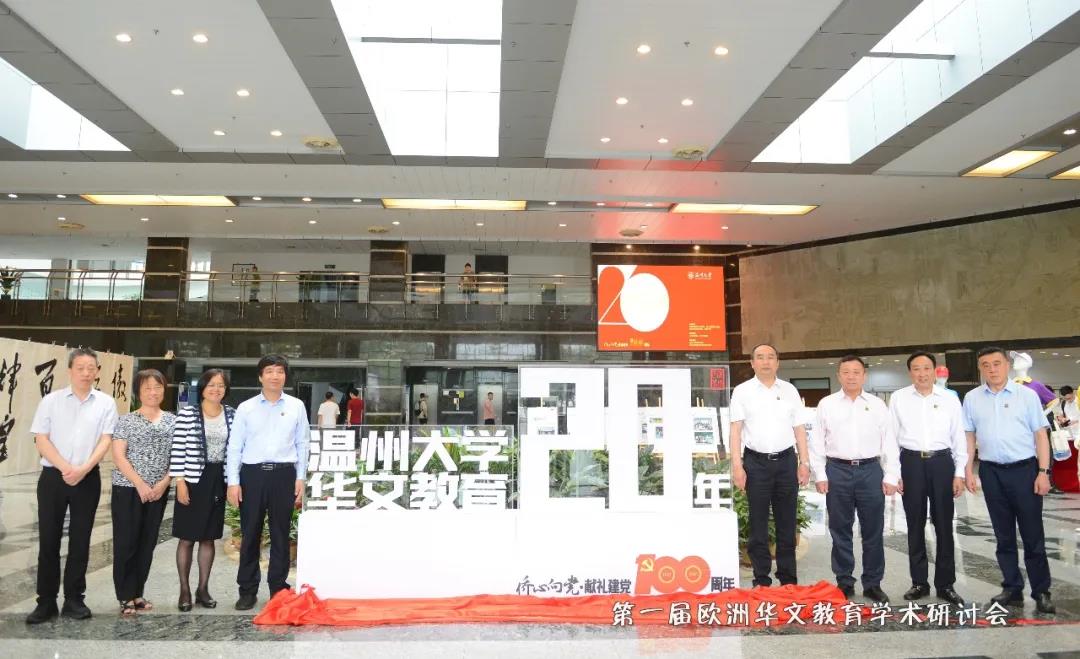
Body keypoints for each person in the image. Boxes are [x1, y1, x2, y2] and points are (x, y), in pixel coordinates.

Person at [26, 348, 119, 624]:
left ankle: (74, 599)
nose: (86, 373)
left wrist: (83, 468)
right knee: (48, 539)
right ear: (70, 370)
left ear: (97, 371)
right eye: (80, 368)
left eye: (91, 368)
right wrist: (66, 468)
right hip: (53, 478)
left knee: (81, 540)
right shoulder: (51, 401)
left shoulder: (105, 403)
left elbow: (106, 440)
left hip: (87, 478)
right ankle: (45, 602)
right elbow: (41, 439)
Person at [963, 346, 1055, 614]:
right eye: (985, 365)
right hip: (991, 471)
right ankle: (1012, 588)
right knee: (1003, 536)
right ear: (980, 368)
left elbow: (1041, 435)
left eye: (996, 363)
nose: (992, 369)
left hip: (1025, 471)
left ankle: (1041, 591)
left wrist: (1043, 472)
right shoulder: (972, 398)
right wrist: (968, 471)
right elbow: (969, 436)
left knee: (1032, 535)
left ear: (1006, 365)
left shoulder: (1026, 395)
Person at [810, 355, 897, 603]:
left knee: (873, 530)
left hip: (870, 470)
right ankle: (844, 582)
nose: (851, 376)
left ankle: (873, 583)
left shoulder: (877, 405)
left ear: (864, 376)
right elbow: (817, 441)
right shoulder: (827, 404)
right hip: (837, 470)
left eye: (856, 372)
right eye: (846, 372)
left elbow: (889, 440)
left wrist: (891, 474)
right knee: (840, 529)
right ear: (839, 375)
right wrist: (820, 473)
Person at [226, 354, 309, 610]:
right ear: (260, 376)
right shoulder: (246, 408)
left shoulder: (296, 406)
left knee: (280, 534)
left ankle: (278, 588)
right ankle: (247, 590)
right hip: (253, 475)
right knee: (250, 533)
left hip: (284, 475)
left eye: (280, 371)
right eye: (270, 371)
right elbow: (235, 447)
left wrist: (300, 477)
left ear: (285, 376)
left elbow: (303, 443)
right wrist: (233, 481)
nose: (275, 376)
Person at [729, 343, 810, 588]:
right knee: (758, 524)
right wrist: (737, 466)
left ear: (778, 362)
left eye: (771, 357)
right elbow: (735, 431)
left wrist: (804, 462)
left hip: (786, 462)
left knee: (787, 523)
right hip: (755, 463)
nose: (766, 361)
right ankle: (761, 579)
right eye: (760, 357)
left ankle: (788, 579)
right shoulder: (742, 391)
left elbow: (799, 429)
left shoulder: (789, 390)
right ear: (752, 363)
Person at [889, 352, 967, 606]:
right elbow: (891, 438)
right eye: (916, 369)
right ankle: (919, 582)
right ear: (909, 372)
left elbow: (958, 437)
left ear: (935, 371)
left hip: (942, 462)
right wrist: (894, 472)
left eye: (926, 368)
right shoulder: (899, 398)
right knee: (914, 524)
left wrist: (959, 472)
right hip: (911, 463)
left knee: (944, 524)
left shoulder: (949, 399)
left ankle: (946, 584)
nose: (921, 373)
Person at [111, 369, 176, 615]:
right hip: (128, 488)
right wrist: (140, 484)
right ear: (138, 391)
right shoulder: (126, 420)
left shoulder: (173, 421)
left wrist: (164, 483)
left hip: (158, 491)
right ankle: (125, 595)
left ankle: (137, 592)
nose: (153, 392)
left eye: (157, 387)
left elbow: (178, 456)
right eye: (147, 387)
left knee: (147, 543)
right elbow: (119, 456)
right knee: (126, 542)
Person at [171, 369, 235, 612]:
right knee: (187, 538)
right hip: (192, 480)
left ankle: (203, 589)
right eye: (211, 385)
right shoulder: (188, 414)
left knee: (209, 537)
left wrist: (232, 482)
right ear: (203, 388)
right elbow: (177, 449)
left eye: (221, 385)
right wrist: (179, 481)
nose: (216, 389)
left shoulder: (232, 414)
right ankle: (184, 590)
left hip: (218, 479)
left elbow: (235, 449)